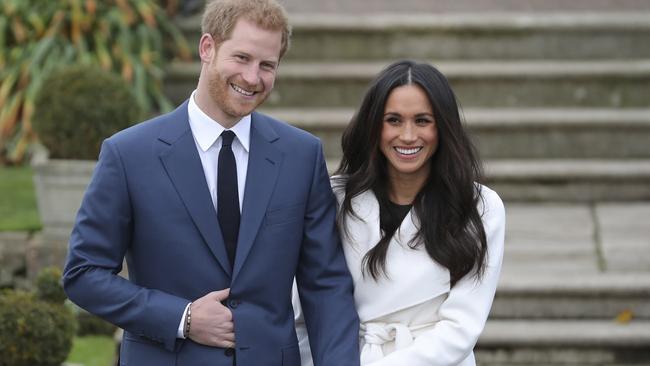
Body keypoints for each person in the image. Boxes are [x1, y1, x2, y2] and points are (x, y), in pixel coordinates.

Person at [62, 0, 360, 365]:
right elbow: (83, 273)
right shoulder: (128, 154)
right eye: (242, 58)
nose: (253, 78)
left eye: (267, 65)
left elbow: (326, 285)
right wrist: (181, 318)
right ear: (207, 48)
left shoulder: (301, 155)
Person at [293, 60, 505, 365]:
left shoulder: (480, 207)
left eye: (422, 121)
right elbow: (306, 307)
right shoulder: (334, 198)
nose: (407, 136)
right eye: (393, 120)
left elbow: (461, 328)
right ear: (373, 125)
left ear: (443, 126)